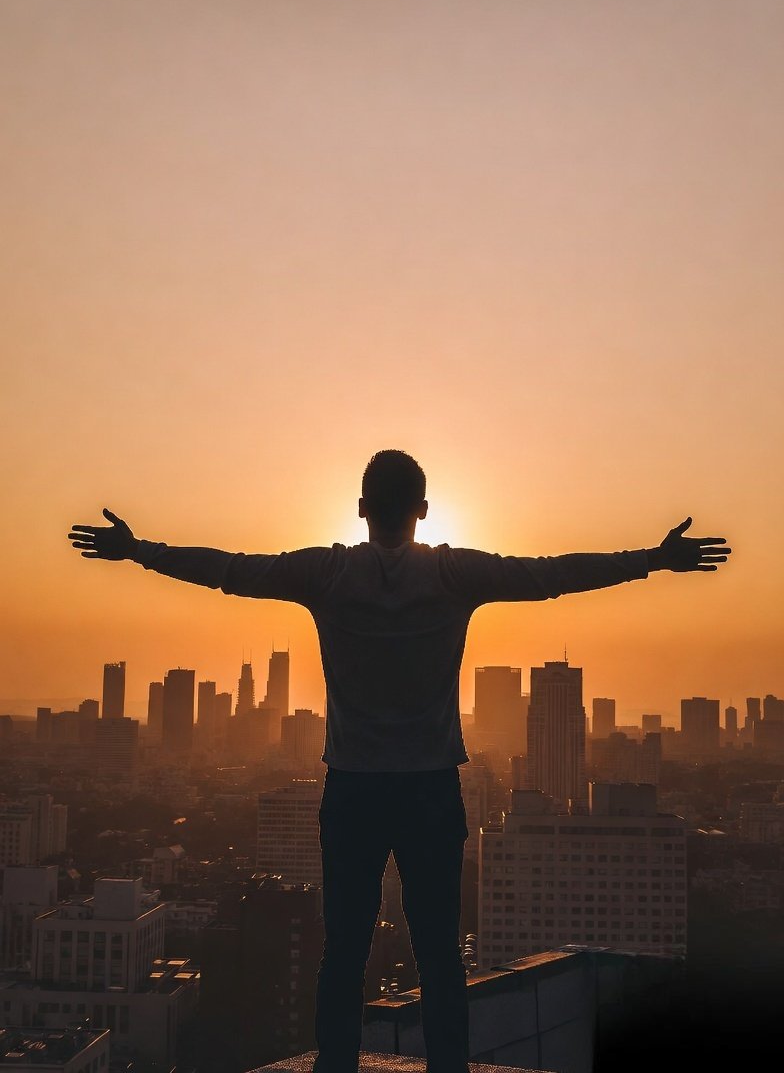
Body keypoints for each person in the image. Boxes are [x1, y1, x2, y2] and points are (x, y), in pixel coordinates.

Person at [68, 449, 731, 1073]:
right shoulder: (451, 574)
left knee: (344, 952)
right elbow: (553, 574)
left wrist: (137, 552)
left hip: (354, 790)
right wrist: (653, 558)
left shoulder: (327, 574)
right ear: (421, 509)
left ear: (361, 507)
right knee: (439, 954)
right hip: (430, 791)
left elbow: (231, 570)